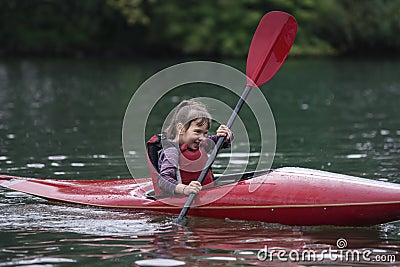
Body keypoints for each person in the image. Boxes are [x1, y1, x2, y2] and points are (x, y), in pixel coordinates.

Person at [148, 99, 233, 196]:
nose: (202, 137)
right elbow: (163, 181)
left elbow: (220, 141)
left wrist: (225, 135)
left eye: (205, 133)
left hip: (206, 191)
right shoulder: (172, 152)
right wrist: (185, 189)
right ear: (181, 128)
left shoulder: (199, 143)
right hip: (182, 197)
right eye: (197, 132)